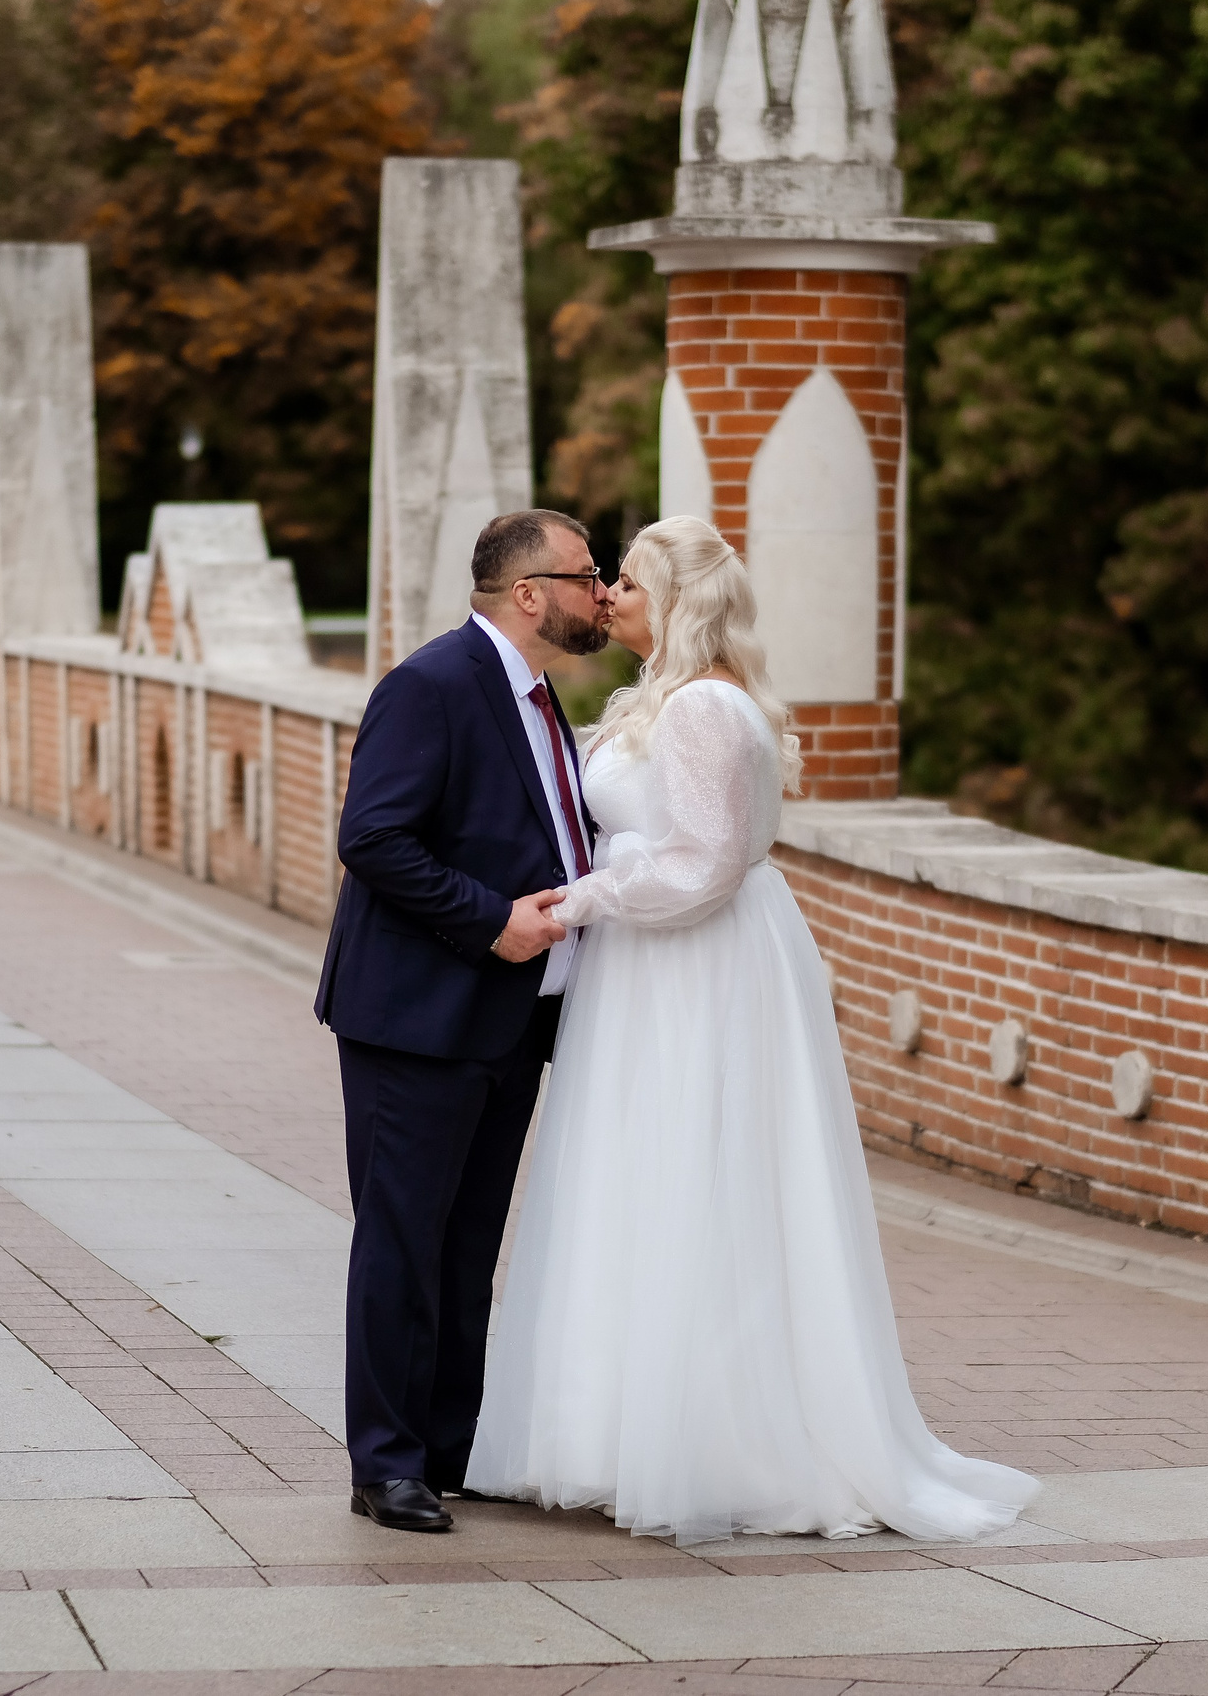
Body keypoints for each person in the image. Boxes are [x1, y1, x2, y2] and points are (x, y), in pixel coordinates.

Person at [466, 515, 1040, 1544]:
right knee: (642, 1179)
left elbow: (701, 866)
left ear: (677, 605)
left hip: (698, 964)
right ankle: (619, 1428)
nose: (607, 599)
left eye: (627, 587)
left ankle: (722, 1442)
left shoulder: (705, 712)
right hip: (650, 967)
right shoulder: (665, 700)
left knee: (705, 1177)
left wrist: (580, 900)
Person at [315, 507, 608, 1533]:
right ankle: (385, 1466)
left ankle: (449, 1448)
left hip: (508, 1023)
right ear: (528, 594)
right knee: (401, 1242)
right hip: (417, 1019)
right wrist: (492, 925)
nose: (601, 593)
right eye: (584, 575)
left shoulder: (539, 699)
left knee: (465, 1244)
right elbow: (375, 838)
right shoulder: (432, 684)